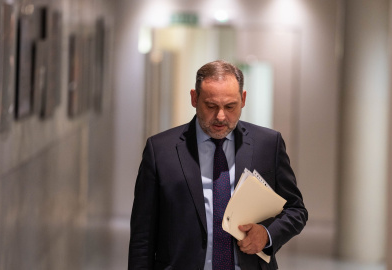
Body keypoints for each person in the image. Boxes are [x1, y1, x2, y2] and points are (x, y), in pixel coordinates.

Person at [129, 60, 307, 270]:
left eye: (230, 106)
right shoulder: (160, 150)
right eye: (211, 106)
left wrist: (267, 235)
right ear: (194, 98)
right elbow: (143, 235)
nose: (221, 116)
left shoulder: (268, 145)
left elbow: (296, 210)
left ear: (243, 99)